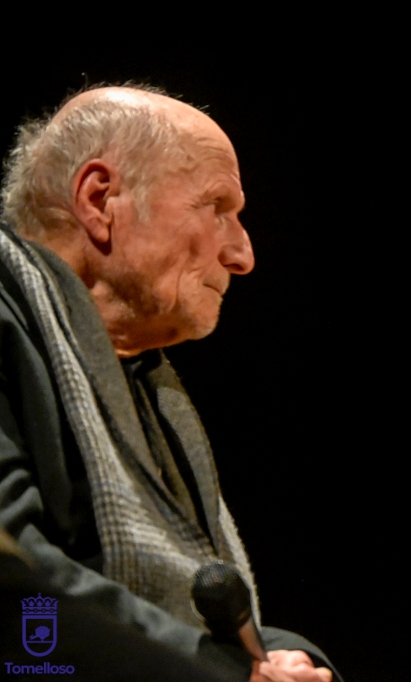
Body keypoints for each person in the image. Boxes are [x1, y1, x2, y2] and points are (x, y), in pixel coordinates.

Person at [0, 86, 337, 682]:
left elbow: (198, 600)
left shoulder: (141, 380)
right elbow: (22, 592)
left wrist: (300, 665)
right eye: (218, 209)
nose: (243, 254)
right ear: (100, 200)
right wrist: (225, 672)